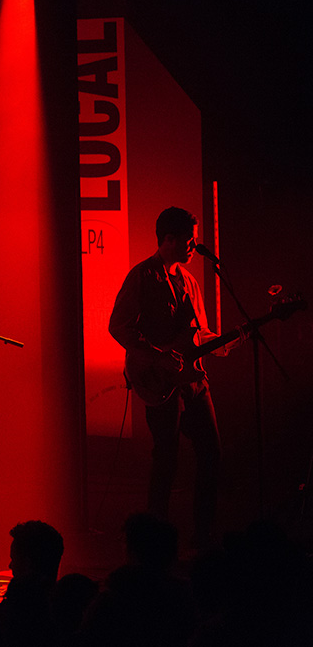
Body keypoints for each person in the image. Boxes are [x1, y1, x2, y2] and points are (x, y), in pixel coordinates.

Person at [108, 206, 244, 549]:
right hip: (159, 382)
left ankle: (203, 533)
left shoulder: (191, 280)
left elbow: (199, 332)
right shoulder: (142, 276)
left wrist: (221, 342)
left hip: (195, 382)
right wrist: (157, 354)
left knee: (211, 454)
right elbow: (118, 326)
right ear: (167, 240)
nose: (193, 246)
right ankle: (154, 538)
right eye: (188, 240)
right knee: (166, 457)